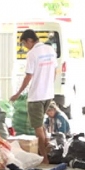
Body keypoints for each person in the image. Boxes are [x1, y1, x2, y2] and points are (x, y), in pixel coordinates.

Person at [11, 29, 58, 160]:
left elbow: (28, 76)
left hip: (36, 96)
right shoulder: (50, 50)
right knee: (41, 125)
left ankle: (44, 158)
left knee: (38, 129)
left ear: (29, 40)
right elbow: (55, 70)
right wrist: (49, 86)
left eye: (25, 44)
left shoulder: (32, 54)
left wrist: (17, 93)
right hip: (48, 94)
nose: (25, 47)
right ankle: (48, 152)